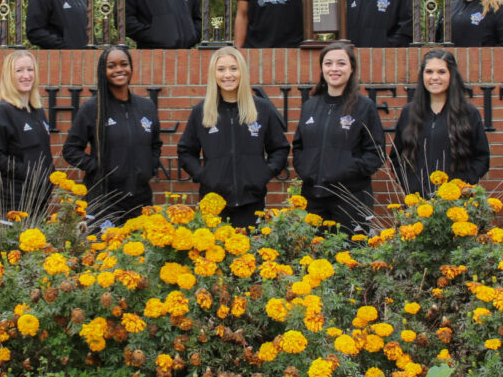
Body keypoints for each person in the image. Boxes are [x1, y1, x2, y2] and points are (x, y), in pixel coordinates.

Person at [176, 47, 289, 227]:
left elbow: (280, 148)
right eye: (221, 69)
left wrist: (263, 173)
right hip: (213, 204)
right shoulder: (201, 111)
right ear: (214, 74)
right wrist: (205, 175)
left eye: (233, 68)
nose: (227, 75)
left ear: (242, 72)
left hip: (252, 202)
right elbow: (185, 151)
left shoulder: (262, 109)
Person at [292, 40, 385, 234]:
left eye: (341, 63)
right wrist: (307, 171)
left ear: (351, 69)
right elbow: (299, 146)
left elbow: (375, 153)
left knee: (350, 259)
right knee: (315, 259)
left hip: (350, 198)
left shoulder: (364, 106)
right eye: (328, 63)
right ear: (322, 69)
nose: (334, 69)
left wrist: (345, 170)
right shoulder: (310, 106)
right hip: (313, 198)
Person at [62, 46, 162, 227]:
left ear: (131, 68)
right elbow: (70, 150)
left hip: (140, 199)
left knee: (139, 252)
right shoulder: (93, 108)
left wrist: (149, 167)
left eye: (124, 64)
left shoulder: (146, 107)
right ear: (103, 71)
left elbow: (155, 145)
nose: (119, 70)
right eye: (111, 66)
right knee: (104, 253)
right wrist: (98, 167)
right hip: (104, 199)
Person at [390, 49, 489, 197]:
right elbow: (396, 157)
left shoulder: (469, 113)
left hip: (456, 203)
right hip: (418, 204)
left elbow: (482, 157)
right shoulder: (408, 113)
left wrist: (462, 186)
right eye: (429, 72)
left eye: (441, 72)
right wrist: (410, 185)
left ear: (451, 75)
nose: (434, 77)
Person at [0, 50, 54, 220]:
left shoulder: (36, 110)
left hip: (39, 201)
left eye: (30, 70)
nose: (26, 75)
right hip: (14, 203)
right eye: (19, 70)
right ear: (9, 76)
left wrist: (49, 176)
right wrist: (30, 174)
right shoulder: (3, 110)